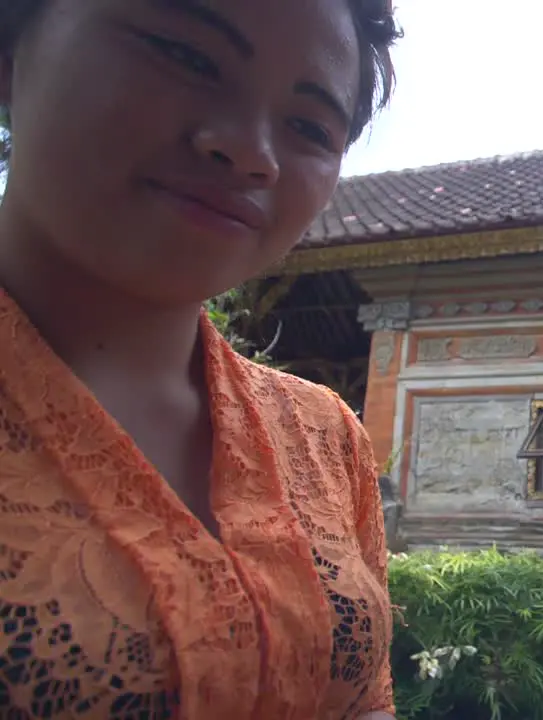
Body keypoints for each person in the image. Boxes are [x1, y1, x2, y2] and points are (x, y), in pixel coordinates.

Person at [0, 1, 401, 718]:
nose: (254, 153)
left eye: (308, 126)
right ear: (14, 50)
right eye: (185, 57)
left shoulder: (327, 439)